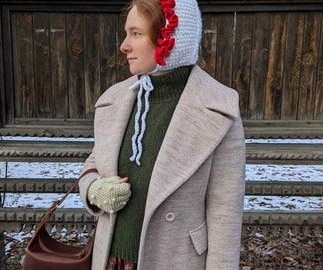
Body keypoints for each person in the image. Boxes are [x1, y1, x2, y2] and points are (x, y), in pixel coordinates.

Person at [79, 0, 246, 269]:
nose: (124, 45)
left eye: (136, 33)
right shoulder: (116, 100)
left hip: (176, 260)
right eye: (126, 33)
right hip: (111, 261)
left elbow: (224, 217)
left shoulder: (219, 109)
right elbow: (93, 166)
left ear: (169, 38)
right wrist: (93, 190)